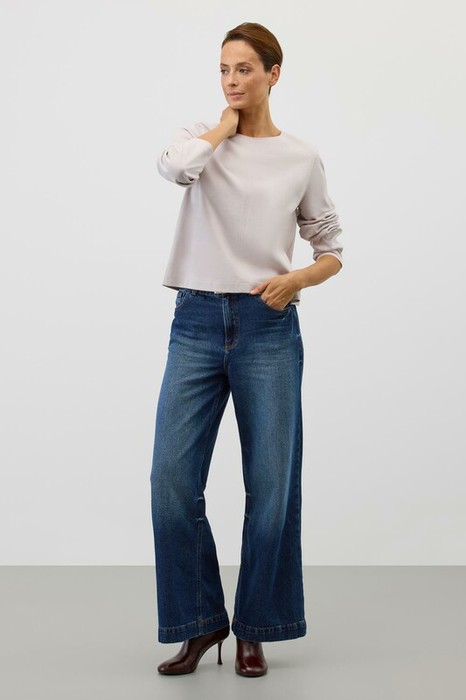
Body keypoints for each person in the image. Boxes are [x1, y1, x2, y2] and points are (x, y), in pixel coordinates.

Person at [150, 22, 343, 677]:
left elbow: (331, 249)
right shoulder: (198, 139)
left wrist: (297, 280)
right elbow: (175, 169)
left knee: (271, 487)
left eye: (244, 69)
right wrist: (224, 129)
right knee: (171, 483)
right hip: (195, 323)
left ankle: (256, 627)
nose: (231, 80)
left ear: (273, 74)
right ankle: (200, 622)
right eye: (224, 69)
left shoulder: (300, 157)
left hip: (268, 326)